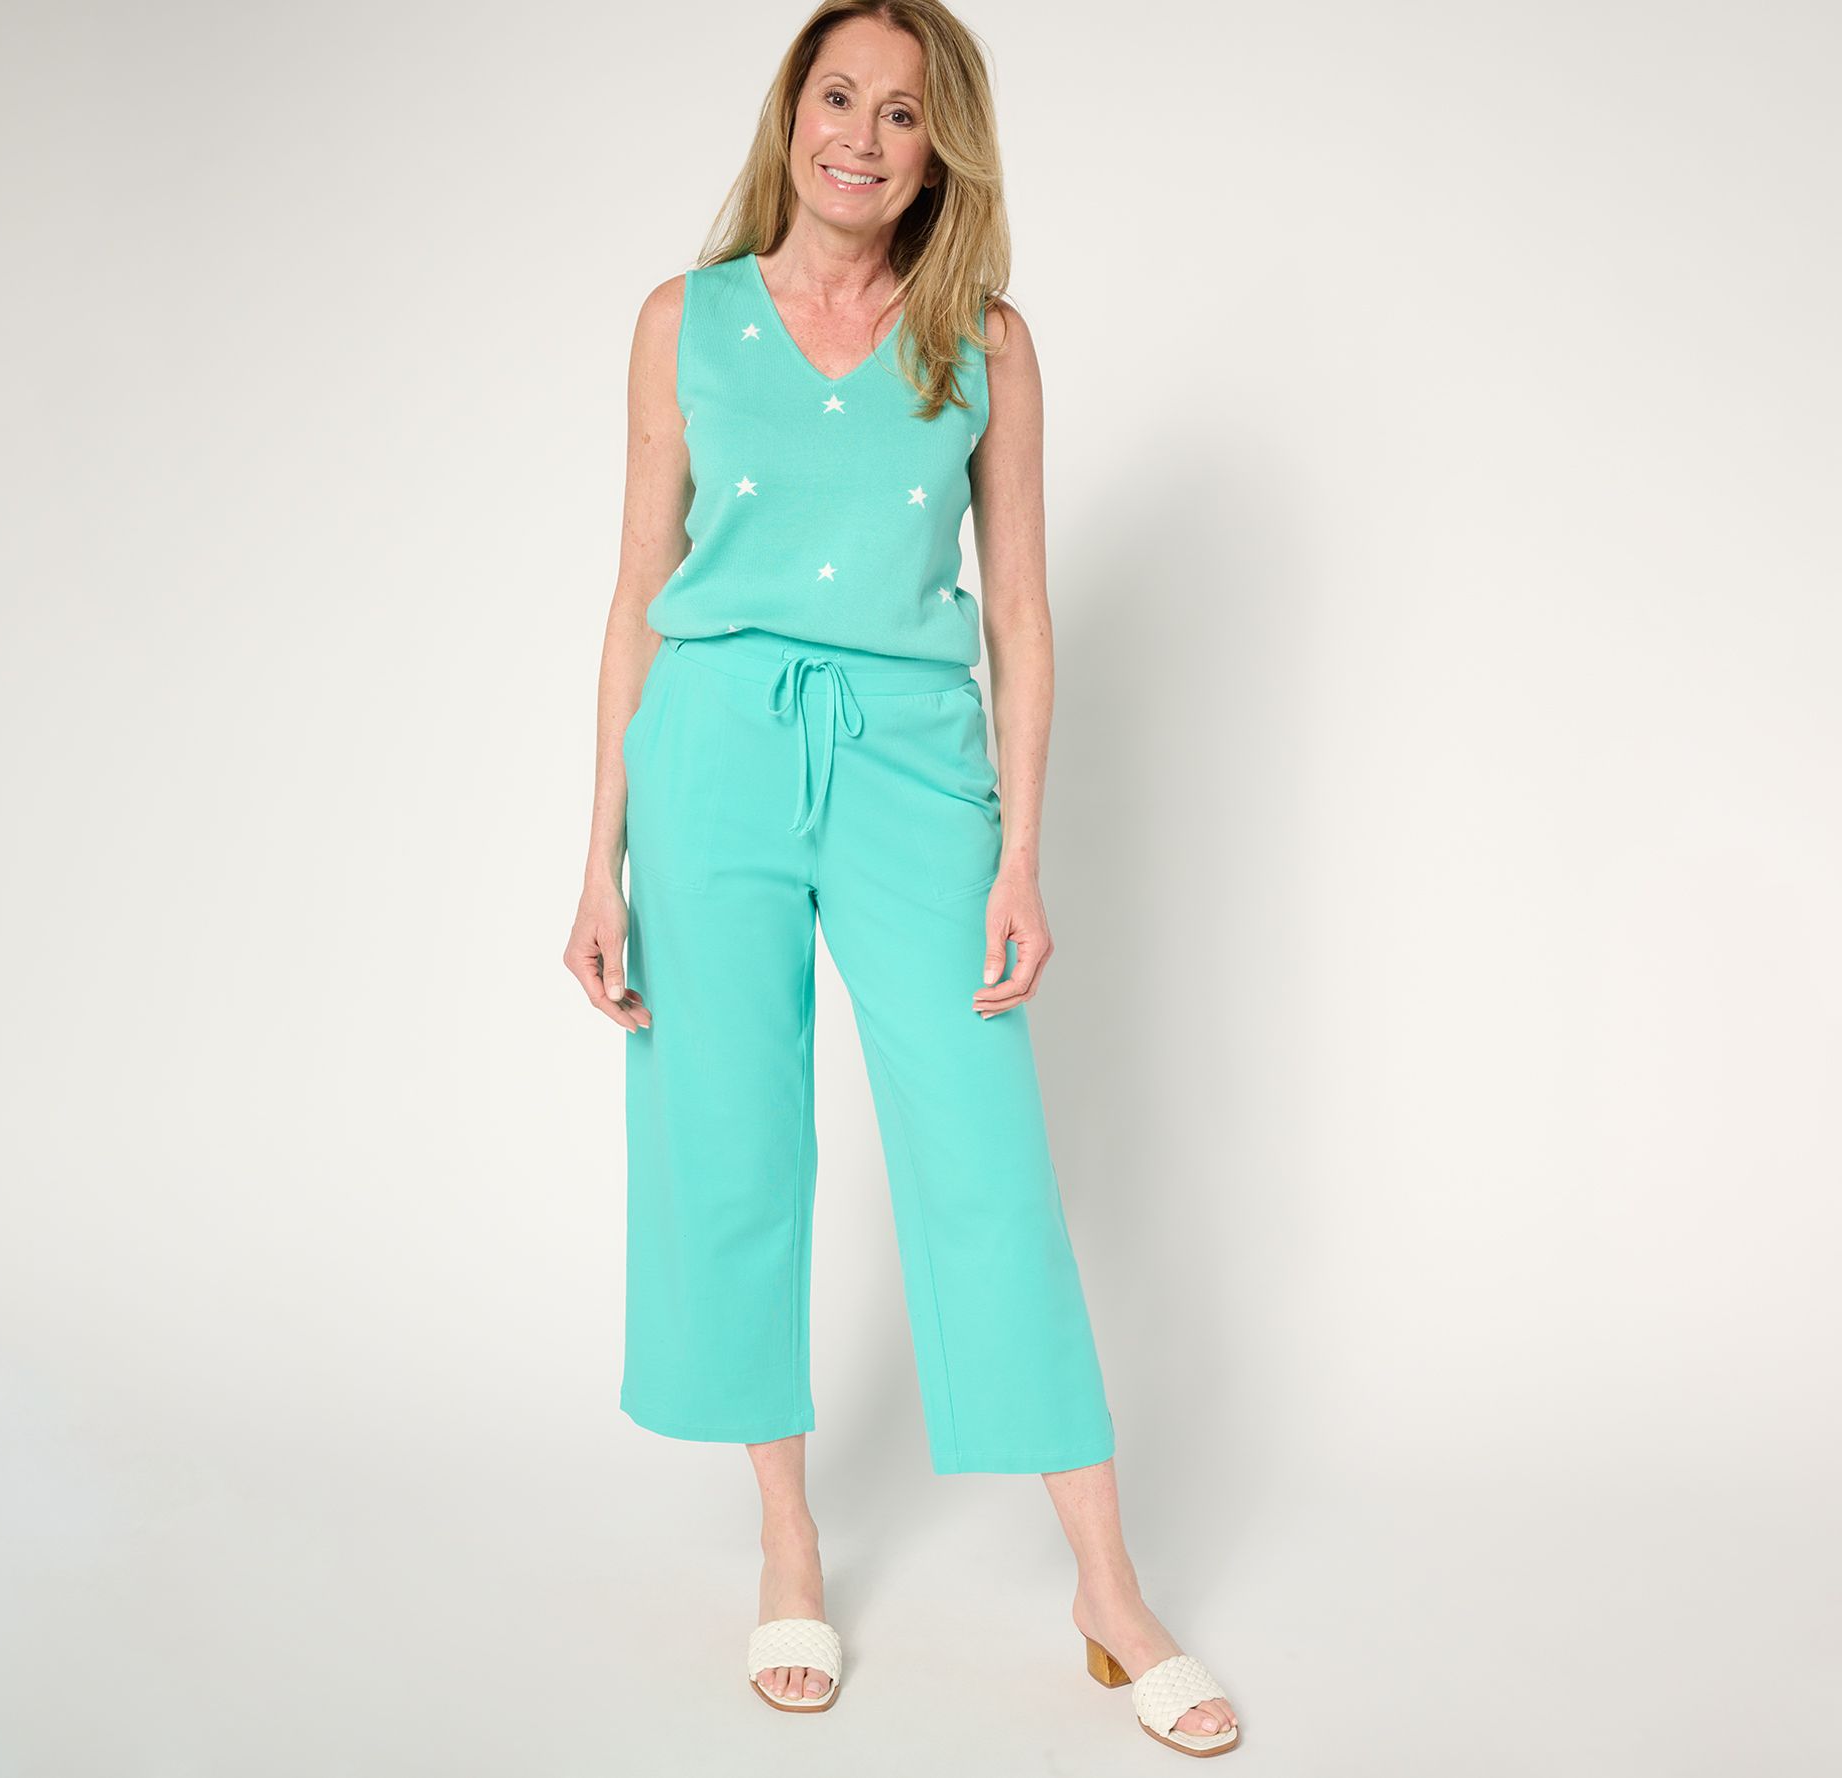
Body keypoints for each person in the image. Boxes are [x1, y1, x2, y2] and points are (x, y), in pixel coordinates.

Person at [563, 1, 1242, 1756]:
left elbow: (1019, 611)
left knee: (984, 1153)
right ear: (792, 113)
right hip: (712, 752)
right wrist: (599, 855)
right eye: (837, 96)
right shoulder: (684, 321)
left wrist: (1021, 852)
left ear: (948, 151)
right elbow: (637, 589)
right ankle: (788, 1535)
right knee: (732, 1139)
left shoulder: (985, 344)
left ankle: (1107, 1583)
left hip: (914, 769)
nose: (859, 136)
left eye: (903, 113)